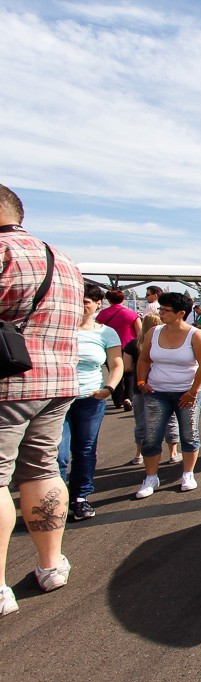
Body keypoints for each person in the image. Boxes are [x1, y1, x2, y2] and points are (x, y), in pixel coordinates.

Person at [1, 184, 83, 615]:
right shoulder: (62, 259)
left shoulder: (4, 252)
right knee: (42, 467)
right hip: (58, 380)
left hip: (7, 383)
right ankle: (51, 565)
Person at [57, 283, 124, 520]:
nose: (81, 305)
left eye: (86, 301)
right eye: (77, 300)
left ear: (98, 304)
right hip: (58, 399)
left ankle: (80, 497)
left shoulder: (106, 333)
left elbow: (116, 364)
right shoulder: (60, 328)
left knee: (85, 449)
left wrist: (109, 388)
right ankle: (57, 499)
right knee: (58, 454)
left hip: (90, 398)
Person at [134, 291, 201, 497]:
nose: (160, 313)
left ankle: (188, 474)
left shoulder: (195, 335)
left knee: (189, 434)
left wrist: (193, 392)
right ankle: (151, 478)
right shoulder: (154, 332)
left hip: (187, 393)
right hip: (156, 392)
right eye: (160, 309)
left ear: (181, 313)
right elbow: (144, 360)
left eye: (165, 310)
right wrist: (141, 382)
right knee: (151, 436)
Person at [124, 313, 180, 466]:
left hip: (140, 388)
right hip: (163, 387)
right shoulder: (165, 342)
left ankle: (139, 455)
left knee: (142, 422)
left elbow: (126, 367)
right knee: (170, 421)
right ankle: (173, 453)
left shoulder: (133, 344)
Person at [95, 288, 141, 412]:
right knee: (130, 373)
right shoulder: (131, 314)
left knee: (114, 373)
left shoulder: (103, 314)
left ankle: (118, 400)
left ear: (108, 300)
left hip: (109, 348)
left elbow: (96, 330)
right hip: (128, 347)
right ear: (122, 298)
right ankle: (128, 398)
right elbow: (139, 332)